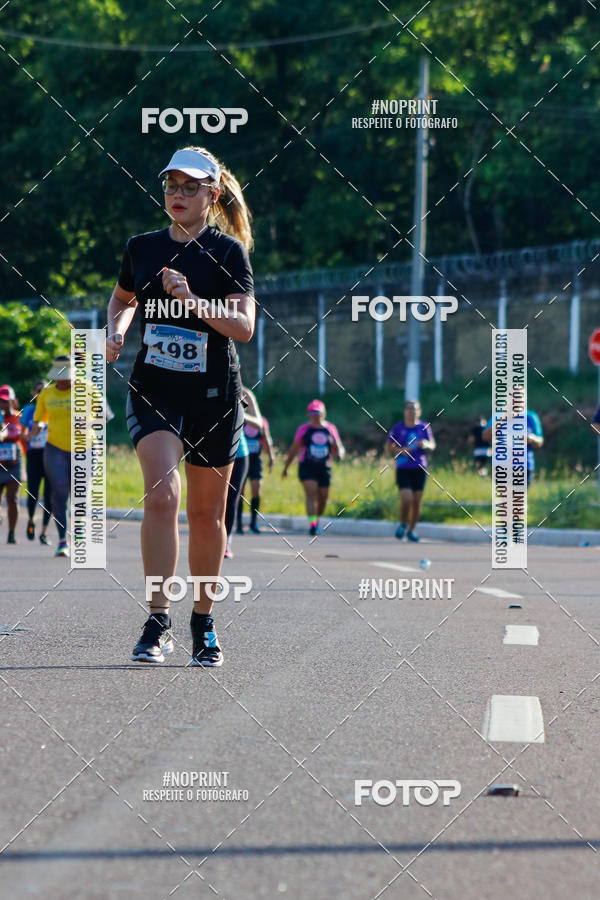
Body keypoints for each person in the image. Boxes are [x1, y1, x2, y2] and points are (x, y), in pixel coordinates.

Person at [105, 145, 254, 666]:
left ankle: (203, 622)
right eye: (172, 185)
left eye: (191, 187)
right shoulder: (142, 247)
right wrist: (117, 329)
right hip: (155, 389)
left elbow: (244, 327)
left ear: (212, 195)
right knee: (163, 497)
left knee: (207, 512)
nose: (178, 194)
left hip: (214, 395)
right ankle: (157, 618)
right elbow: (123, 298)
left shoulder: (229, 253)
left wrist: (192, 301)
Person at [31, 357, 76, 557]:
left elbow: (104, 415)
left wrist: (92, 423)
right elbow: (39, 420)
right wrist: (35, 430)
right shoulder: (47, 393)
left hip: (84, 448)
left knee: (81, 494)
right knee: (58, 493)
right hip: (55, 448)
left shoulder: (86, 389)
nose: (63, 382)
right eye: (60, 378)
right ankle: (62, 540)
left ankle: (80, 529)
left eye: (66, 378)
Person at [282, 400, 345, 536]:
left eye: (317, 412)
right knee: (311, 494)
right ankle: (313, 525)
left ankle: (316, 518)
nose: (315, 415)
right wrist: (286, 466)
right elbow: (294, 449)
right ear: (308, 414)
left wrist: (340, 453)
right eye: (312, 412)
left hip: (324, 468)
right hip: (307, 466)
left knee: (323, 497)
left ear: (323, 413)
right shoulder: (304, 429)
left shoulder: (330, 428)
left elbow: (339, 445)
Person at [386, 400, 435, 542]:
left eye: (414, 409)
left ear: (419, 411)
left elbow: (432, 444)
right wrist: (400, 451)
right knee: (407, 498)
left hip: (420, 467)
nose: (411, 411)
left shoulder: (424, 427)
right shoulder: (398, 428)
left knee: (417, 501)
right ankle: (402, 523)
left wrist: (425, 444)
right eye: (409, 409)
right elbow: (388, 446)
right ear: (404, 411)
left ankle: (412, 529)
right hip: (403, 467)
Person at [223, 388, 264, 557]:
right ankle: (210, 539)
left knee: (232, 498)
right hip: (213, 451)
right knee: (216, 500)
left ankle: (226, 543)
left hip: (240, 452)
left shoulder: (245, 394)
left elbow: (258, 423)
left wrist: (239, 412)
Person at [482, 390, 543, 486]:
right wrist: (502, 419)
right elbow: (485, 437)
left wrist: (531, 438)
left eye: (519, 397)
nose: (516, 400)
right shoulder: (498, 415)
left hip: (524, 466)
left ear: (524, 399)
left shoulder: (531, 417)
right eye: (513, 397)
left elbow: (540, 441)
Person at [236, 389, 274, 534]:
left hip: (255, 460)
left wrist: (271, 457)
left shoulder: (261, 421)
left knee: (256, 489)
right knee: (240, 492)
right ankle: (238, 524)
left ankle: (253, 523)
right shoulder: (242, 419)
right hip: (242, 458)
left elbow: (266, 439)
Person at [21, 380, 52, 545]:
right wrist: (30, 435)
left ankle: (45, 531)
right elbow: (23, 434)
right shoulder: (29, 410)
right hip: (34, 455)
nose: (42, 393)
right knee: (32, 490)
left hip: (51, 454)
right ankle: (31, 520)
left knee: (49, 493)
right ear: (34, 393)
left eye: (45, 390)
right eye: (39, 391)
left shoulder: (53, 409)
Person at [0, 385, 24, 544]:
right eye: (1, 401)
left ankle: (11, 532)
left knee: (12, 498)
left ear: (13, 402)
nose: (4, 404)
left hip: (15, 461)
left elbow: (22, 435)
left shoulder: (19, 417)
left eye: (7, 401)